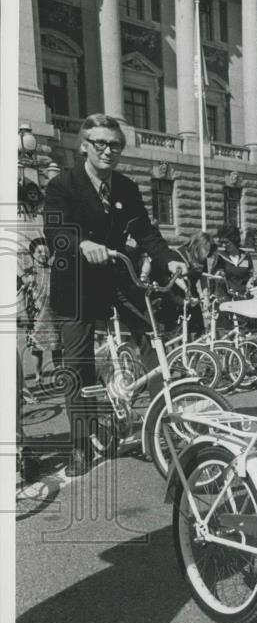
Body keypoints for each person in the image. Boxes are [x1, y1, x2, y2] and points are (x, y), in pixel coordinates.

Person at [43, 113, 186, 477]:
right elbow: (55, 230)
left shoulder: (125, 187)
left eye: (115, 145)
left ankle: (167, 420)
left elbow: (146, 230)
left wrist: (169, 260)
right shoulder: (63, 184)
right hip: (76, 282)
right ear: (84, 146)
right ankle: (80, 445)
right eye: (101, 143)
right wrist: (82, 243)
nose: (108, 151)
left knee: (153, 341)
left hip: (118, 276)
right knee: (78, 366)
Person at [19, 237, 63, 387]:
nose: (43, 254)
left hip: (55, 314)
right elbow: (21, 294)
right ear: (32, 254)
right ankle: (38, 376)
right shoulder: (28, 274)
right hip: (36, 315)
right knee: (37, 348)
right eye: (39, 251)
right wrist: (23, 313)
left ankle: (59, 374)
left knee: (57, 347)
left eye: (46, 251)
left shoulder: (55, 271)